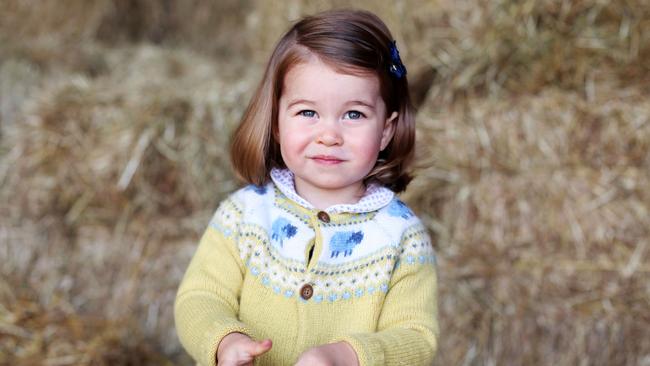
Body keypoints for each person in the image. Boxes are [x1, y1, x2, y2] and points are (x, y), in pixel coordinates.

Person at [175, 9, 438, 366]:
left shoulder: (401, 237)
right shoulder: (244, 215)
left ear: (386, 131)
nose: (329, 136)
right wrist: (224, 340)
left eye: (354, 114)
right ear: (278, 122)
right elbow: (200, 296)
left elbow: (415, 337)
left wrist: (348, 356)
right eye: (308, 113)